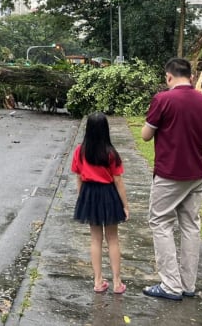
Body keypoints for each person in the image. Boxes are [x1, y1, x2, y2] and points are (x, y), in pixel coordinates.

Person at [141, 57, 202, 301]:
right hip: (196, 174)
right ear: (192, 77)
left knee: (161, 223)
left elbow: (145, 135)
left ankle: (170, 285)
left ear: (169, 77)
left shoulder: (162, 100)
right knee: (190, 226)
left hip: (169, 174)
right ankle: (187, 284)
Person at [71, 112, 130, 295]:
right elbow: (118, 180)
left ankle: (97, 281)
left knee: (95, 239)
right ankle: (117, 282)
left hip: (89, 193)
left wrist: (83, 198)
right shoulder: (111, 153)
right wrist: (125, 205)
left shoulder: (80, 151)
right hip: (109, 194)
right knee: (113, 239)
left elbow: (79, 177)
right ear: (106, 130)